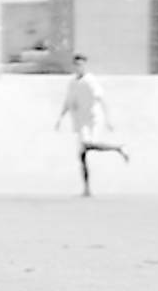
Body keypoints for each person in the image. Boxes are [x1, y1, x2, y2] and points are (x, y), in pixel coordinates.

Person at [55, 53, 129, 196]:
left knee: (88, 145)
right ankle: (87, 189)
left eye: (81, 64)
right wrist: (60, 118)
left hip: (93, 119)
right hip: (81, 121)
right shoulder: (72, 83)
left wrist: (108, 119)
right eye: (76, 65)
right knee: (82, 153)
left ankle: (119, 148)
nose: (79, 67)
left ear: (84, 66)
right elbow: (68, 102)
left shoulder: (90, 81)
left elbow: (101, 99)